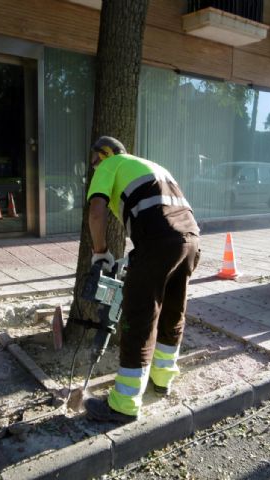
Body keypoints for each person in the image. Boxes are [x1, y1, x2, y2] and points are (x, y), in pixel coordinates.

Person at [84, 136, 201, 424]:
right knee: (173, 312)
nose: (95, 168)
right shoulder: (152, 166)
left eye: (94, 162)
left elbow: (96, 213)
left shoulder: (110, 164)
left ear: (104, 154)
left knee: (140, 319)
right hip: (191, 241)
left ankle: (123, 405)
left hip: (159, 243)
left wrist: (100, 252)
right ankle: (162, 380)